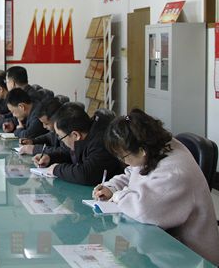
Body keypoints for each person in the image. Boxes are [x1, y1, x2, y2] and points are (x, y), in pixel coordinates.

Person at [92, 109, 219, 265]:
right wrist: (112, 187)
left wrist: (117, 195)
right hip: (164, 245)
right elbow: (134, 172)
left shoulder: (174, 174)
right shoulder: (154, 148)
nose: (123, 161)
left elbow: (143, 210)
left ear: (142, 151)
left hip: (190, 257)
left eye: (122, 156)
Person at [33, 103, 122, 185]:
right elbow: (69, 153)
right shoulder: (87, 131)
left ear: (76, 135)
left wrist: (56, 169)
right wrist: (50, 158)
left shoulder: (101, 141)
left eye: (61, 137)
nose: (61, 140)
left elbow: (86, 174)